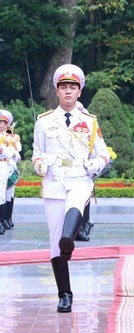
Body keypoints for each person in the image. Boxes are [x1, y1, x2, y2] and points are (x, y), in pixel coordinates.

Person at [32, 64, 110, 313]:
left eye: (72, 87)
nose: (68, 92)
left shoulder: (89, 121)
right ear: (57, 91)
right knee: (55, 243)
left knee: (76, 205)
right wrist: (40, 164)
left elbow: (104, 153)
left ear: (79, 92)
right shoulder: (44, 122)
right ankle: (64, 293)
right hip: (55, 180)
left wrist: (96, 164)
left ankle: (70, 238)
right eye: (63, 87)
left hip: (80, 177)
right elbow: (36, 154)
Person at [0, 109, 21, 234]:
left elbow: (13, 152)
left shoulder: (9, 138)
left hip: (3, 165)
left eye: (2, 122)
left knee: (3, 195)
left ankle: (3, 220)